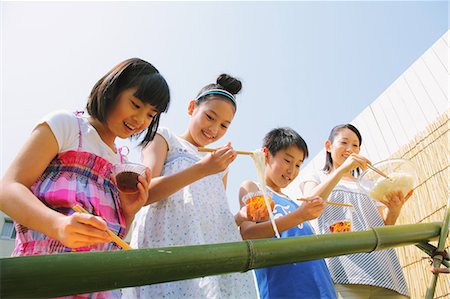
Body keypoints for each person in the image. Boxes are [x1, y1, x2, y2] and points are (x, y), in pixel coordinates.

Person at [0, 58, 170, 298]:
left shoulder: (121, 165)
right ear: (112, 89)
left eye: (151, 115)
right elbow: (7, 189)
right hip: (42, 277)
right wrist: (57, 225)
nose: (140, 120)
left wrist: (129, 212)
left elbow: (110, 241)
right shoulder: (66, 126)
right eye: (135, 104)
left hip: (97, 286)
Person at [125, 74, 258, 298]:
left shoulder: (220, 165)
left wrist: (240, 217)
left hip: (210, 256)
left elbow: (214, 221)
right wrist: (203, 168)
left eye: (224, 125)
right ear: (191, 108)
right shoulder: (165, 138)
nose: (214, 129)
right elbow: (144, 193)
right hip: (168, 244)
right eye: (209, 117)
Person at [299, 124, 411, 299]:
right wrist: (342, 169)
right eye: (344, 143)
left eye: (355, 145)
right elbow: (309, 203)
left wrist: (394, 210)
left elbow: (383, 229)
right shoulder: (316, 177)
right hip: (344, 273)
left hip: (384, 272)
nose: (350, 149)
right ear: (328, 146)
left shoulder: (369, 185)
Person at [239, 127, 337, 299]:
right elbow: (247, 233)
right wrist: (300, 215)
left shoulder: (293, 201)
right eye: (287, 160)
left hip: (319, 282)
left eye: (298, 164)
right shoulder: (253, 187)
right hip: (284, 287)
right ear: (266, 155)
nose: (292, 170)